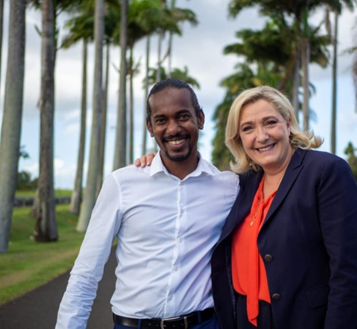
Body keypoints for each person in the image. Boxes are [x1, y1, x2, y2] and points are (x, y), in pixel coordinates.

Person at [137, 86, 357, 329]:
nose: (261, 136)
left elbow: (348, 275)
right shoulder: (242, 183)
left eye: (269, 122)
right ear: (238, 138)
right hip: (246, 321)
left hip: (307, 319)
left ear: (288, 123)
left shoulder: (326, 172)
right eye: (248, 128)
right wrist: (158, 162)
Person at [55, 78, 239, 329]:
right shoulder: (122, 183)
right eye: (161, 120)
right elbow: (86, 272)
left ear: (201, 119)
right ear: (150, 127)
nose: (173, 128)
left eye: (183, 116)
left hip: (205, 324)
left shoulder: (228, 187)